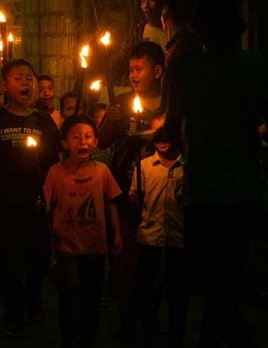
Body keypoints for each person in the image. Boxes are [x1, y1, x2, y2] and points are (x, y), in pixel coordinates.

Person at [159, 0, 267, 348]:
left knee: (211, 288)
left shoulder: (187, 68)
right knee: (227, 284)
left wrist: (143, 135)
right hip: (243, 190)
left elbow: (171, 128)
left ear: (199, 29)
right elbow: (265, 120)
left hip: (205, 191)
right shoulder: (253, 65)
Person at [0, 58, 61, 339]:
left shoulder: (45, 123)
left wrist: (50, 195)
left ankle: (34, 299)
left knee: (38, 258)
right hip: (6, 205)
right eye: (18, 78)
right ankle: (14, 312)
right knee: (11, 262)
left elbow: (54, 162)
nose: (26, 82)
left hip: (36, 204)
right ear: (5, 85)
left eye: (29, 78)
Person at [98, 41, 166, 340]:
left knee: (156, 262)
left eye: (139, 69)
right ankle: (127, 318)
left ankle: (150, 319)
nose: (133, 75)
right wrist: (110, 123)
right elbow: (102, 141)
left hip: (161, 193)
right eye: (130, 69)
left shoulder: (170, 105)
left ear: (158, 71)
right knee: (125, 258)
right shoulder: (123, 103)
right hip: (125, 191)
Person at [44, 114, 123, 348]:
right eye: (76, 137)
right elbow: (48, 205)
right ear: (65, 143)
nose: (83, 141)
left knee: (91, 296)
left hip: (95, 246)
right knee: (69, 294)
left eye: (88, 136)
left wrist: (116, 234)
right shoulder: (55, 172)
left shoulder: (102, 171)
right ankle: (68, 338)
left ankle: (88, 338)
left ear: (96, 142)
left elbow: (111, 202)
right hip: (66, 245)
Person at [130, 119, 188, 348]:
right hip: (150, 236)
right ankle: (147, 330)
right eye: (158, 134)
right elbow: (135, 195)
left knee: (177, 292)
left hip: (178, 238)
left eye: (167, 134)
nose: (162, 139)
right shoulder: (143, 166)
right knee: (147, 289)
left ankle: (177, 335)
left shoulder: (187, 166)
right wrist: (134, 200)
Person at [116, 0, 169, 86]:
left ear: (162, 3)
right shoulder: (138, 32)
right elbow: (123, 58)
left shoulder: (172, 31)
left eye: (151, 0)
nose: (146, 6)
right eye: (143, 1)